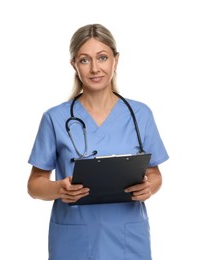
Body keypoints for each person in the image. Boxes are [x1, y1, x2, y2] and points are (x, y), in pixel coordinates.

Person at [27, 23, 169, 260]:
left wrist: (149, 188)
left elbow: (155, 175)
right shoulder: (55, 118)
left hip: (128, 238)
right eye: (85, 60)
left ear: (116, 60)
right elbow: (34, 184)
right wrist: (58, 189)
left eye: (102, 57)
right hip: (73, 240)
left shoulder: (140, 114)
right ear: (74, 65)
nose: (95, 68)